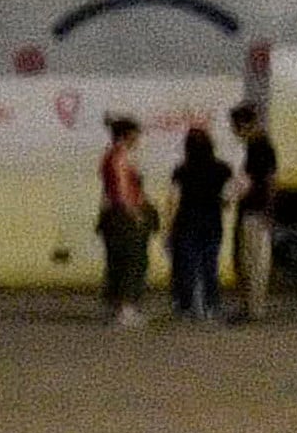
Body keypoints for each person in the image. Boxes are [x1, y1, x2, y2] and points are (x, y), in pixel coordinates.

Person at [164, 123, 233, 323]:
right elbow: (228, 198)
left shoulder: (181, 170)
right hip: (212, 221)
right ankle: (211, 305)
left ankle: (186, 306)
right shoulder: (223, 169)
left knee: (186, 266)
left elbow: (173, 199)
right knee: (210, 265)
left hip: (186, 221)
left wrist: (168, 227)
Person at [94, 118, 154, 324]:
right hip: (124, 216)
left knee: (117, 260)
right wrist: (135, 213)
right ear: (127, 135)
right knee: (132, 260)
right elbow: (121, 191)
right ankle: (126, 308)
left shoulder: (111, 156)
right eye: (136, 134)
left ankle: (116, 305)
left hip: (114, 214)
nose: (138, 139)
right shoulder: (119, 157)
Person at [232, 101, 284, 321]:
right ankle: (252, 306)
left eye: (235, 127)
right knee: (251, 259)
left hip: (255, 210)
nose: (235, 133)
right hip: (254, 209)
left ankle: (254, 309)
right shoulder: (259, 145)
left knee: (254, 261)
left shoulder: (259, 147)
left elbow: (269, 181)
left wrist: (267, 210)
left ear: (244, 125)